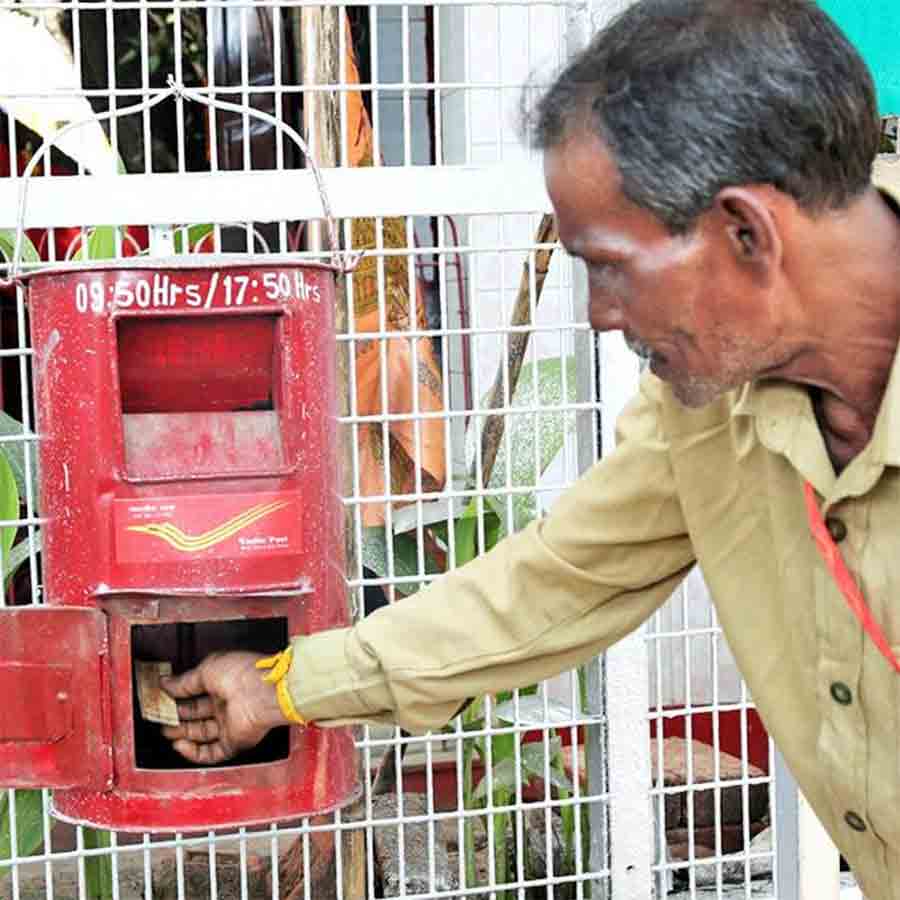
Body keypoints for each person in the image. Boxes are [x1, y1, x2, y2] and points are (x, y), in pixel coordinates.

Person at [161, 0, 900, 893]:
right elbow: (547, 587)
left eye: (611, 265)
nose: (600, 315)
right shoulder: (703, 413)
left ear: (748, 233)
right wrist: (282, 686)